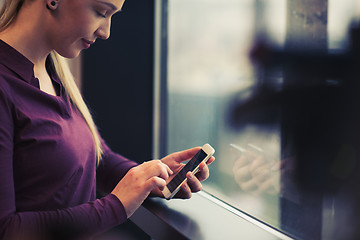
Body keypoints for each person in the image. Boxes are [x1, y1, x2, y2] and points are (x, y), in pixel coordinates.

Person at [0, 0, 215, 239]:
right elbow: (6, 229)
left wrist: (149, 177)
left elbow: (95, 159)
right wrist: (116, 205)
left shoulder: (54, 68)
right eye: (101, 12)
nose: (106, 32)